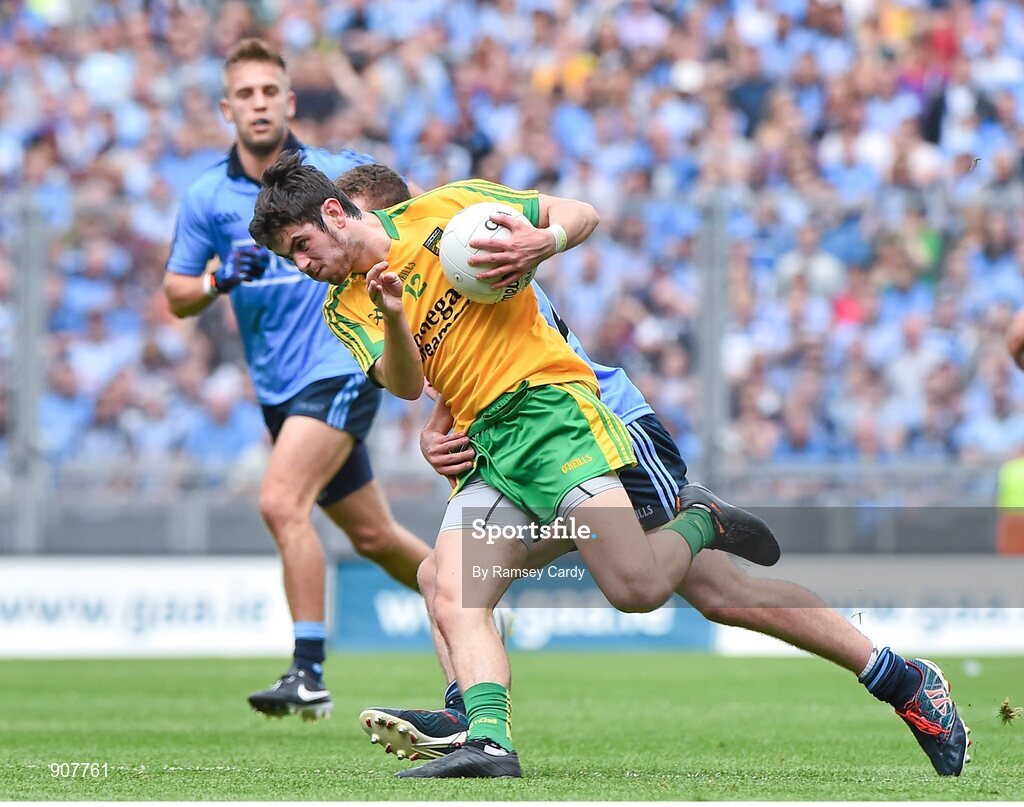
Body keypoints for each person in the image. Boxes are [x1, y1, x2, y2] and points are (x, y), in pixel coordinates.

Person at [248, 154, 964, 779]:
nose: (308, 267)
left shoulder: (466, 234)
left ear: (352, 214)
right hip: (512, 442)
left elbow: (535, 336)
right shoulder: (358, 302)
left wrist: (545, 239)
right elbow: (440, 371)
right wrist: (441, 426)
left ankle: (877, 659)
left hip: (597, 419)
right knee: (450, 574)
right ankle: (478, 722)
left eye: (307, 247)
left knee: (682, 588)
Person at [163, 39, 431, 721]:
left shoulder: (334, 173)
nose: (258, 104)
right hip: (278, 388)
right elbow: (175, 294)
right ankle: (459, 589)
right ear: (227, 108)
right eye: (244, 94)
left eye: (269, 92)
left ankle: (307, 671)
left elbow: (415, 212)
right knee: (372, 536)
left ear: (288, 100)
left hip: (341, 362)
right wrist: (220, 279)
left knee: (281, 500)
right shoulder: (204, 197)